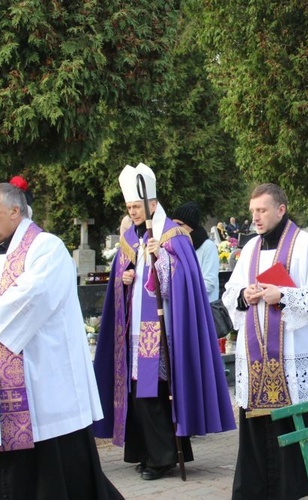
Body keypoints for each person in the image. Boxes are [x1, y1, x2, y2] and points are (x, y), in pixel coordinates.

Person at [0, 182, 121, 498]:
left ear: (14, 210)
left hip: (43, 392)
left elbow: (32, 296)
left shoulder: (46, 247)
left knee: (52, 480)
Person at [93, 164, 235, 481]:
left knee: (155, 392)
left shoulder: (173, 236)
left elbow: (187, 281)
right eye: (128, 207)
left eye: (137, 207)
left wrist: (164, 261)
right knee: (137, 392)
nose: (132, 212)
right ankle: (146, 452)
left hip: (163, 329)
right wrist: (125, 276)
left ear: (153, 204)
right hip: (133, 329)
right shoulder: (130, 236)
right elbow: (123, 275)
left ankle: (164, 457)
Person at [222, 183, 308, 499]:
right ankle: (259, 489)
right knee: (259, 425)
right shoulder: (251, 249)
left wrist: (282, 294)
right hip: (257, 356)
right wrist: (245, 295)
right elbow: (231, 292)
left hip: (293, 353)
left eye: (262, 210)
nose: (256, 217)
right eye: (253, 211)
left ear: (280, 210)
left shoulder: (305, 244)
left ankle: (305, 482)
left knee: (303, 418)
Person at [171, 201, 221, 301]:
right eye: (173, 224)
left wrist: (179, 289)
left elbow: (208, 284)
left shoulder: (207, 246)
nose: (175, 228)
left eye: (179, 224)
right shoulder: (174, 245)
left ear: (191, 226)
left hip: (205, 306)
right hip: (184, 303)